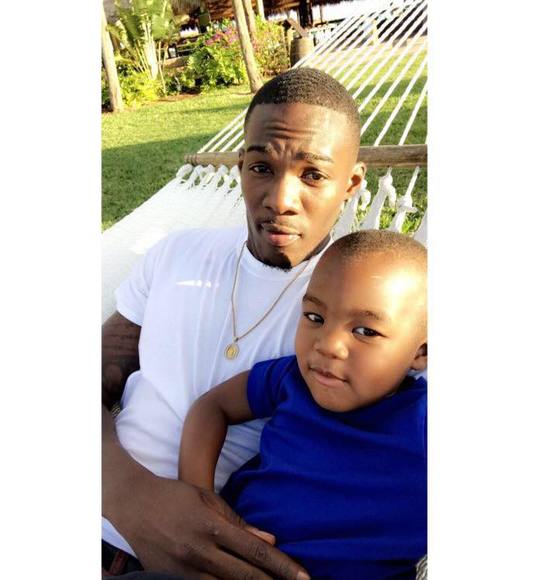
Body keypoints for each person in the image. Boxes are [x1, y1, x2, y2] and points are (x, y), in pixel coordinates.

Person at [102, 67, 366, 578]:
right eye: (261, 167)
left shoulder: (360, 312)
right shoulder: (177, 253)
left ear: (352, 183)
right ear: (241, 166)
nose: (280, 199)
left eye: (313, 175)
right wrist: (125, 492)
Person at [178, 230, 427, 579]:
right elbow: (211, 407)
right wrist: (198, 505)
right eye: (314, 317)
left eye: (365, 331)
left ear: (422, 352)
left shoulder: (423, 424)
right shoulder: (293, 378)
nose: (328, 345)